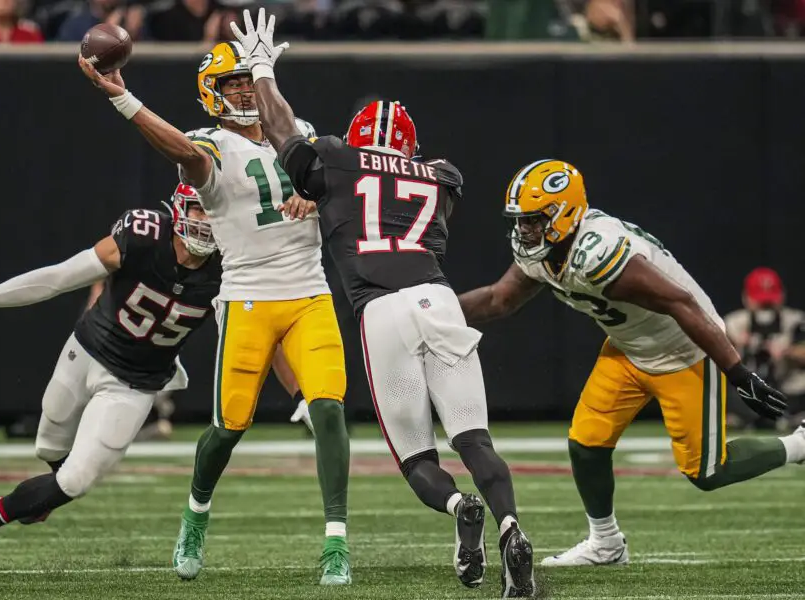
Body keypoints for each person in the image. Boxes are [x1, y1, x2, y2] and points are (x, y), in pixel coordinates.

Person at [228, 9, 536, 597]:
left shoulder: (339, 157)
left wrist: (263, 68)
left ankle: (457, 508)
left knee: (417, 457)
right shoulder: (440, 176)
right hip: (438, 299)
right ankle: (513, 529)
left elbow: (283, 132)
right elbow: (416, 209)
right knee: (475, 439)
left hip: (381, 310)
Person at [77, 41, 351, 585]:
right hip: (248, 297)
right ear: (213, 94)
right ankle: (195, 517)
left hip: (310, 293)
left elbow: (345, 186)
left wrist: (320, 197)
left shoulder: (301, 131)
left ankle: (336, 545)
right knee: (228, 426)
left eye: (250, 81)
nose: (245, 91)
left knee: (329, 410)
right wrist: (124, 100)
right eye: (232, 84)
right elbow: (184, 152)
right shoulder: (211, 143)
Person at [455, 158, 805, 567]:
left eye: (534, 219)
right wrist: (437, 312)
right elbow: (501, 298)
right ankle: (606, 544)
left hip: (684, 350)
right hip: (627, 348)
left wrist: (737, 371)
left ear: (564, 212)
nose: (525, 229)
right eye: (521, 220)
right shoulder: (544, 249)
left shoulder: (597, 250)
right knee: (586, 444)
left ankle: (799, 444)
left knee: (708, 471)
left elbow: (682, 303)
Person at [0, 184, 222, 571]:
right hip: (85, 352)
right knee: (48, 450)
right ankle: (41, 497)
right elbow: (61, 277)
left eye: (215, 211)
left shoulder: (231, 264)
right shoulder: (143, 237)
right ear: (179, 209)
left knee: (74, 481)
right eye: (200, 210)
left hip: (135, 384)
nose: (208, 221)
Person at [725, 267, 805, 430]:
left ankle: (785, 417)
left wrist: (788, 351)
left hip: (787, 390)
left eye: (769, 301)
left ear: (782, 295)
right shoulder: (734, 322)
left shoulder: (795, 320)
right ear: (746, 297)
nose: (766, 307)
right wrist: (736, 346)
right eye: (761, 302)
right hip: (746, 391)